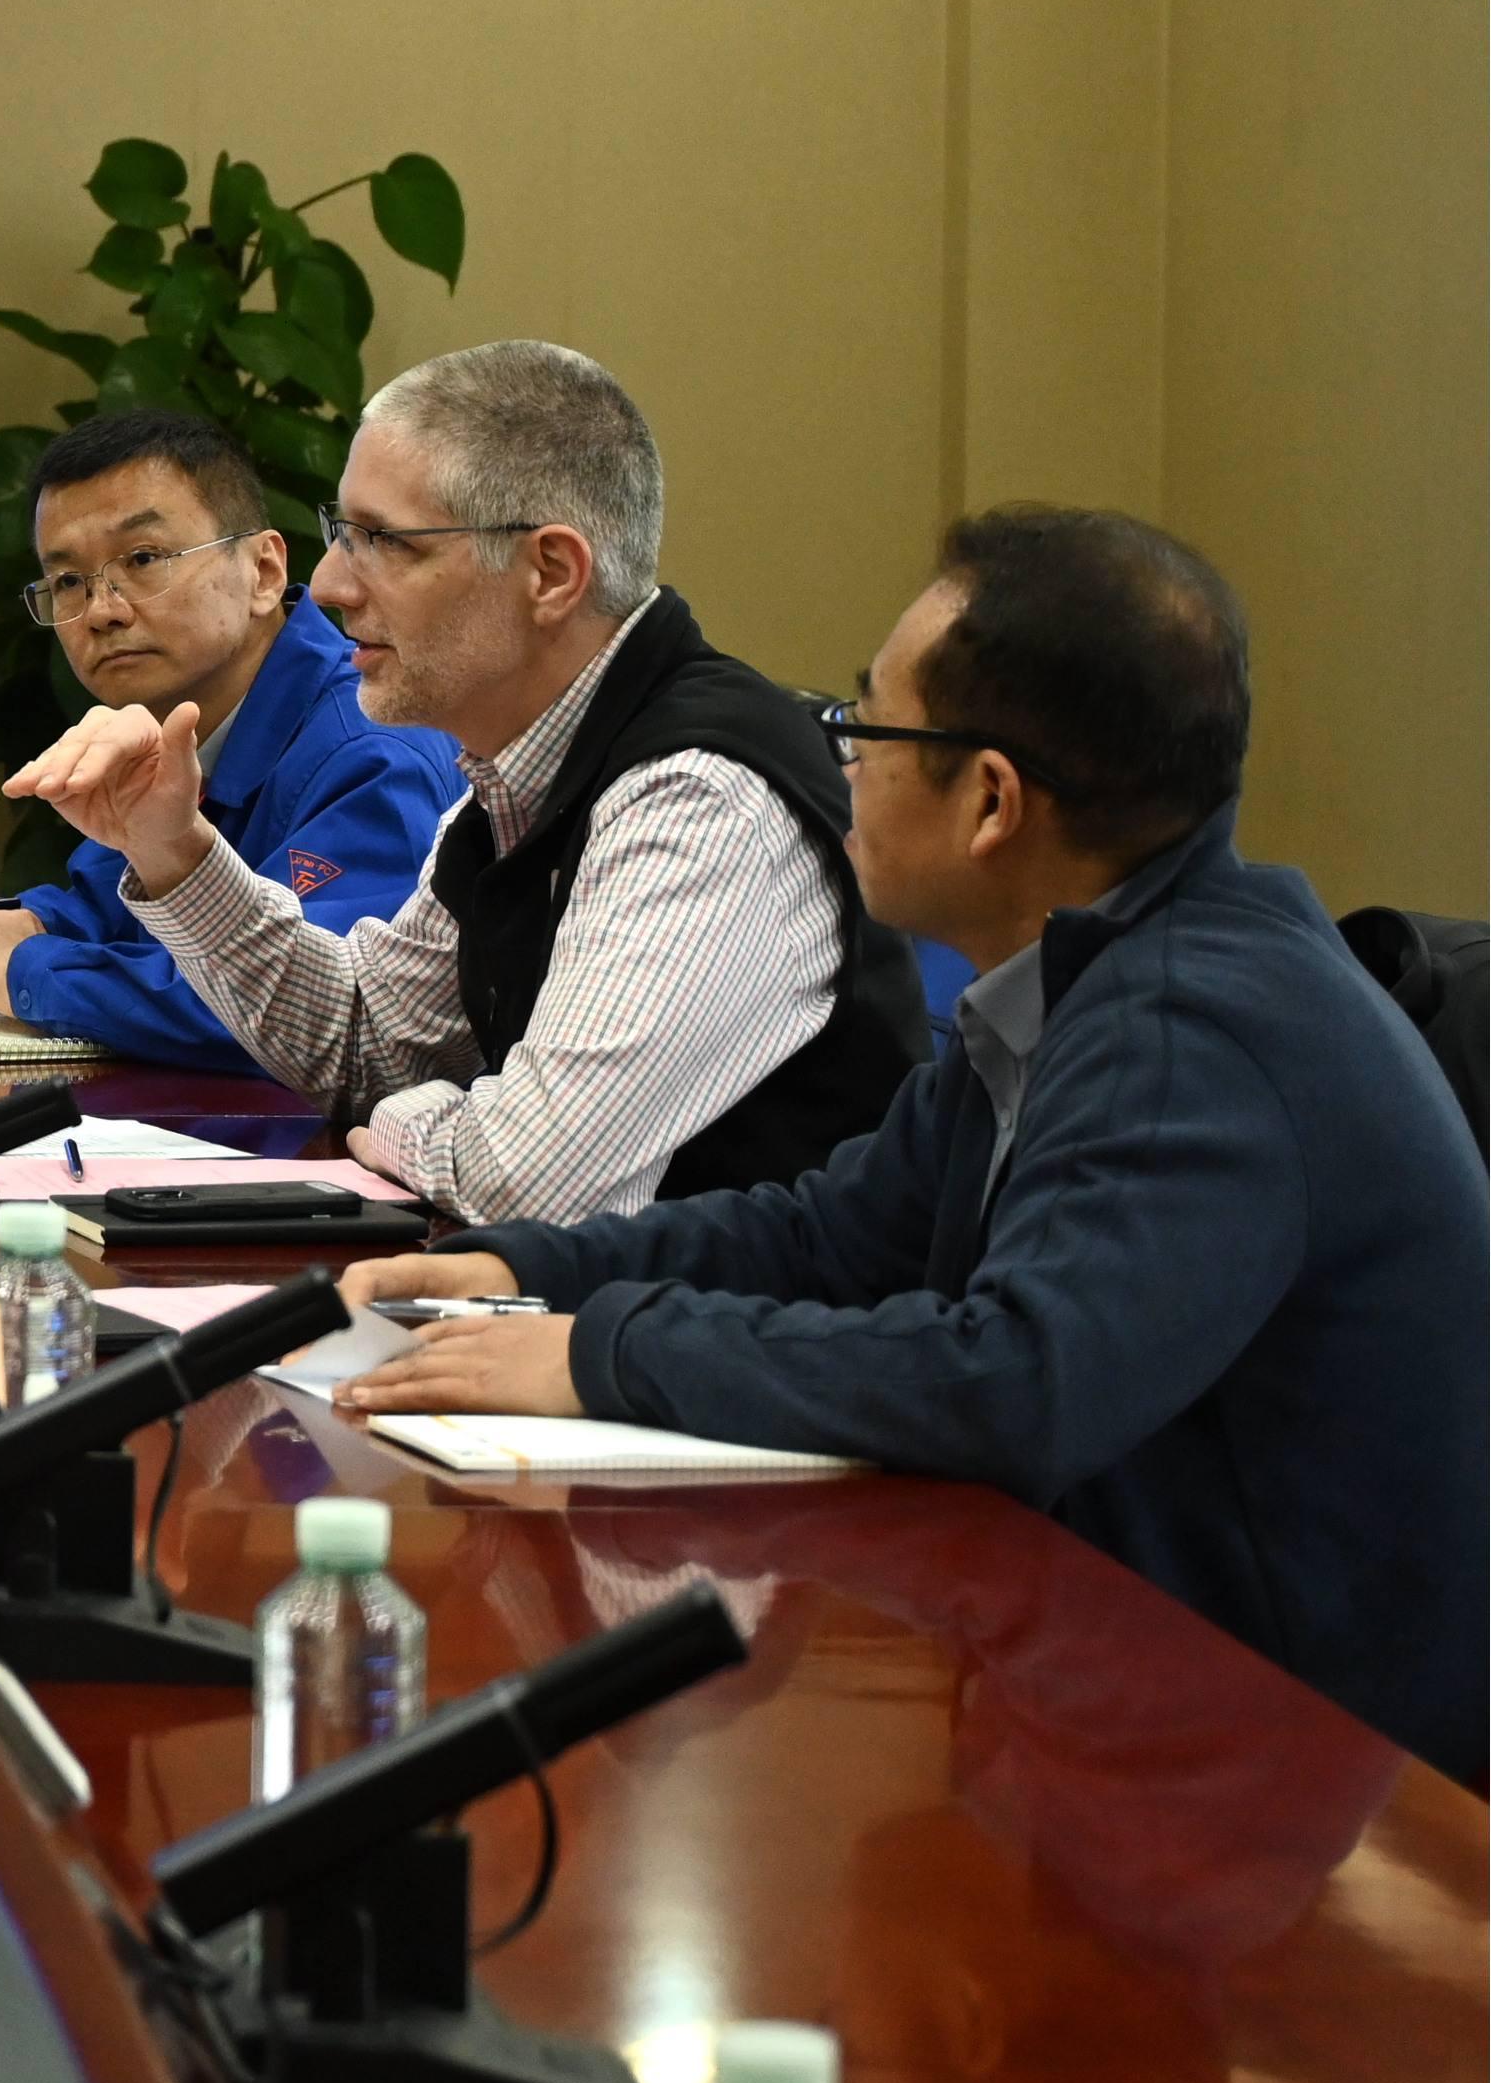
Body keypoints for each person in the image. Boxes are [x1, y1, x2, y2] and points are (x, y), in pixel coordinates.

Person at [344, 509, 1486, 1784]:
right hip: (1137, 1697)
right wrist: (530, 1270)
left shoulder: (1192, 1032)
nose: (840, 764)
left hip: (1319, 1781)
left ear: (990, 798)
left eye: (866, 727)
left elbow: (1014, 1380)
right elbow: (831, 1236)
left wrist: (599, 1354)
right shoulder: (1089, 978)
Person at [6, 338, 925, 1212]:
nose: (330, 586)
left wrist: (403, 1121)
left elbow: (523, 1179)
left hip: (750, 1323)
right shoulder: (517, 773)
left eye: (384, 542)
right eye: (341, 533)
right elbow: (365, 1041)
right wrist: (173, 852)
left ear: (550, 573)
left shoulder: (695, 800)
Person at [0, 407, 459, 1073]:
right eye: (69, 581)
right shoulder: (170, 728)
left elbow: (302, 1010)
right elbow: (117, 908)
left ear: (263, 571)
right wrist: (22, 922)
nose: (102, 611)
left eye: (143, 559)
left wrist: (29, 970)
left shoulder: (373, 749)